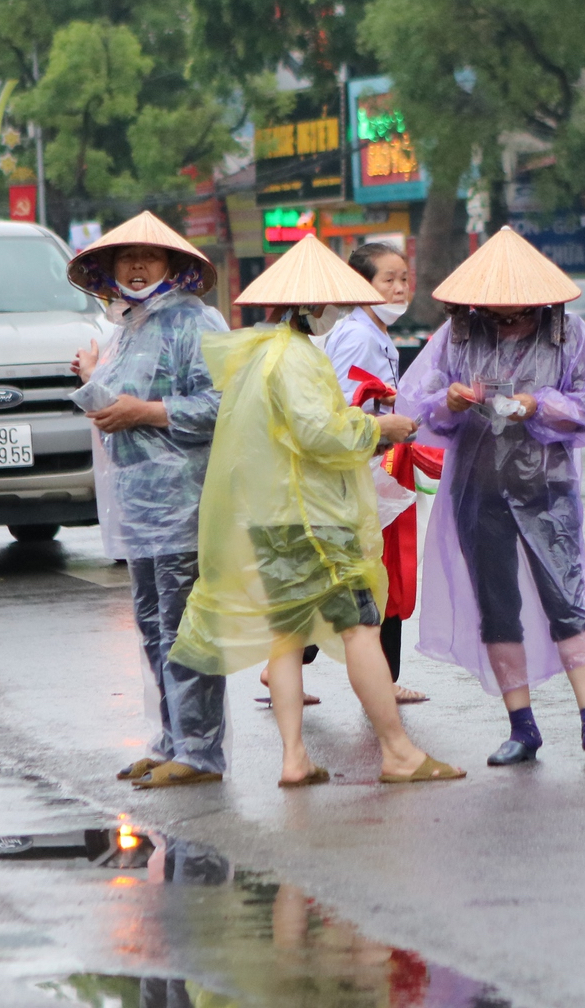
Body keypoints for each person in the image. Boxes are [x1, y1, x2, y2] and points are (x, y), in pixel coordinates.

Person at [169, 235, 464, 787]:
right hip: (314, 517)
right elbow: (319, 432)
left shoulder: (261, 352)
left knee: (286, 636)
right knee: (360, 629)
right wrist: (381, 429)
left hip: (273, 515)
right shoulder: (298, 359)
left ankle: (294, 757)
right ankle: (398, 752)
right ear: (321, 306)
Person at [395, 227, 585, 768]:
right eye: (495, 307)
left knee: (567, 600)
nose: (506, 315)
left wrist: (538, 405)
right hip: (479, 489)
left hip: (548, 488)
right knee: (498, 607)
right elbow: (416, 401)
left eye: (516, 308)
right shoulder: (458, 334)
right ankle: (522, 726)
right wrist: (448, 402)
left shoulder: (568, 334)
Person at [65, 213, 230, 791]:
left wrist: (146, 411)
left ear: (173, 267)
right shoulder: (127, 328)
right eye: (126, 258)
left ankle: (203, 752)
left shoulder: (197, 323)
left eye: (150, 258)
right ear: (109, 270)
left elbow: (219, 405)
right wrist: (94, 379)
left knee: (187, 627)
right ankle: (170, 740)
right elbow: (116, 415)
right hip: (139, 506)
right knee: (153, 625)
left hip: (184, 502)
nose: (137, 267)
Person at [321, 239, 439, 704]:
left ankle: (287, 661)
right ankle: (381, 681)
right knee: (379, 574)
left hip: (378, 466)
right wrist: (385, 423)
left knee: (370, 574)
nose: (399, 288)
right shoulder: (356, 333)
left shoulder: (375, 333)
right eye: (387, 279)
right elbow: (346, 406)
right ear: (362, 285)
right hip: (365, 469)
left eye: (404, 279)